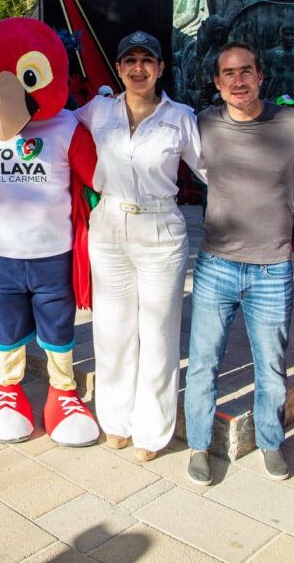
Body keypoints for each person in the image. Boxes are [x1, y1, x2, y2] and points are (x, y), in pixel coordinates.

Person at [184, 41, 294, 485]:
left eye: (246, 71)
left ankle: (271, 442)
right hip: (215, 264)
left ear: (261, 77)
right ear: (218, 83)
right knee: (203, 361)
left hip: (272, 268)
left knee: (272, 366)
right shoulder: (203, 125)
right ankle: (200, 444)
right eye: (228, 74)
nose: (238, 81)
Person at [75, 31, 202, 462]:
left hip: (159, 229)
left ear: (161, 68)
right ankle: (115, 420)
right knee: (111, 330)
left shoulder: (181, 116)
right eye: (129, 60)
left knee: (158, 332)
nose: (138, 68)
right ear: (118, 67)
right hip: (108, 227)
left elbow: (210, 169)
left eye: (147, 60)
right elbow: (53, 121)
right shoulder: (98, 110)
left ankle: (152, 430)